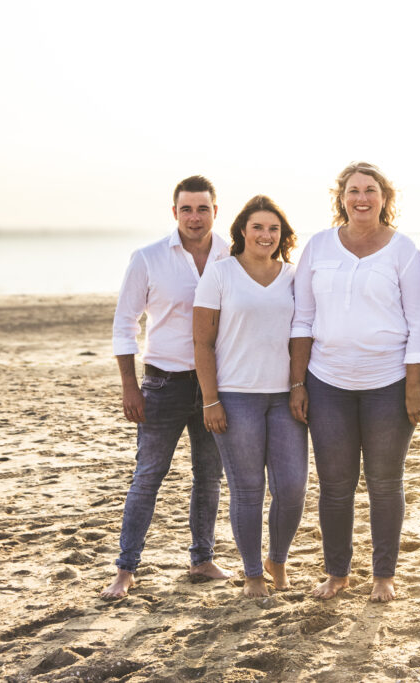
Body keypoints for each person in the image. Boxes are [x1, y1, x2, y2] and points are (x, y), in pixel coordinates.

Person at [290, 162, 420, 603]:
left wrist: (413, 387)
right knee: (335, 484)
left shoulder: (404, 250)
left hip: (388, 384)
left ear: (384, 198)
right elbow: (302, 320)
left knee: (385, 482)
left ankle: (383, 575)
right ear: (342, 197)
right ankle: (337, 573)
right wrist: (298, 384)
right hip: (327, 382)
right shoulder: (317, 247)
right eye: (354, 190)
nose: (362, 198)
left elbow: (419, 325)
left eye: (371, 190)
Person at [102, 175, 231, 599]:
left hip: (216, 384)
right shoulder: (148, 258)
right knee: (148, 476)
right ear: (174, 212)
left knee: (208, 476)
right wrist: (129, 385)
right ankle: (125, 569)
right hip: (162, 383)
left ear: (216, 211)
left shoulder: (232, 256)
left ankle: (201, 558)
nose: (195, 217)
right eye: (187, 209)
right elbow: (125, 323)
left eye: (203, 209)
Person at [193, 195, 306, 598]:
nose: (266, 235)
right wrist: (210, 399)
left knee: (293, 487)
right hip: (235, 397)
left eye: (273, 229)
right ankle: (254, 574)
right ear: (242, 230)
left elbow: (302, 337)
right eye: (258, 227)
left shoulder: (293, 276)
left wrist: (298, 387)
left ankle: (278, 558)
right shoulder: (220, 274)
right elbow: (202, 342)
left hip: (284, 398)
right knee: (247, 489)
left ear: (282, 235)